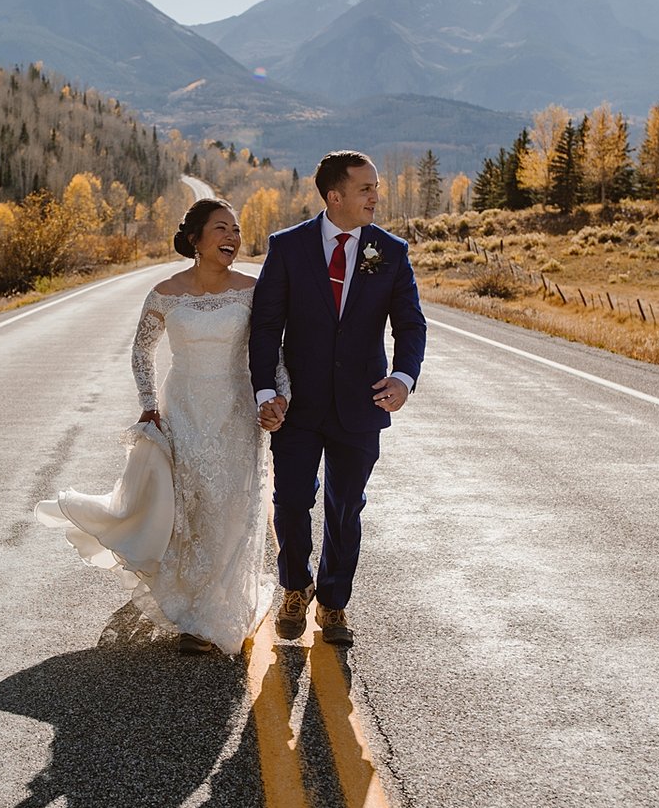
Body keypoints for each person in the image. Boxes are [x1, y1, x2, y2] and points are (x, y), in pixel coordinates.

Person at [36, 199, 281, 657]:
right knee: (194, 508)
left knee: (234, 507)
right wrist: (150, 405)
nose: (233, 237)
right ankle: (194, 613)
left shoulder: (254, 290)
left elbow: (274, 352)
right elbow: (140, 352)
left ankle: (222, 607)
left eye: (237, 229)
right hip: (184, 408)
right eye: (221, 229)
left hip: (236, 409)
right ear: (196, 240)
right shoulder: (165, 292)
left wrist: (276, 396)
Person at [248, 151, 426, 648]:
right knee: (290, 504)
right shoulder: (288, 247)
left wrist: (403, 378)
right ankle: (293, 588)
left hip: (361, 405)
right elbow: (265, 326)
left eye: (376, 187)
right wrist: (266, 390)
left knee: (346, 507)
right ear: (335, 196)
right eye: (366, 188)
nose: (376, 196)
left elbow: (410, 324)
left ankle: (334, 602)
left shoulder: (390, 251)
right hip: (297, 406)